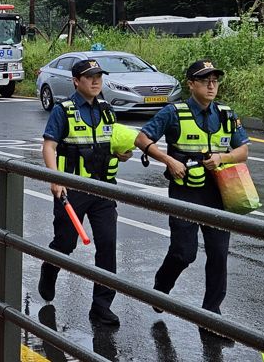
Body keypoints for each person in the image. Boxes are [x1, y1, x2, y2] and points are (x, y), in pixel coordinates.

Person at [135, 59, 249, 317]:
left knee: (219, 255)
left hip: (220, 192)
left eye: (215, 80)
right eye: (205, 80)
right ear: (191, 84)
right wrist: (169, 160)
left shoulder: (226, 114)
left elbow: (242, 150)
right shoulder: (173, 113)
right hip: (186, 191)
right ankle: (161, 288)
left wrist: (223, 158)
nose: (211, 85)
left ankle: (212, 314)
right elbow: (142, 139)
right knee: (184, 253)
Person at [39, 59, 133, 327]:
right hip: (73, 189)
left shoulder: (107, 110)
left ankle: (101, 306)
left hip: (103, 189)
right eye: (89, 77)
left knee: (107, 246)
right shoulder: (64, 110)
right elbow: (49, 146)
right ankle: (50, 266)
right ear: (76, 81)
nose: (95, 81)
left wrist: (122, 154)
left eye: (98, 77)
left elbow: (112, 145)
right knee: (65, 244)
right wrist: (54, 177)